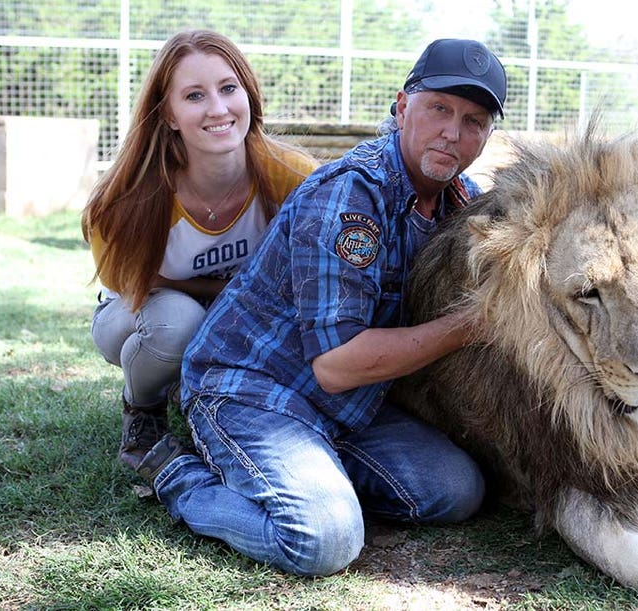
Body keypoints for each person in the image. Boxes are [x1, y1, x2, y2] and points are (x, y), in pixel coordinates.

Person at [136, 38, 509, 576]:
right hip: (252, 389)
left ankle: (310, 477)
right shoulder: (349, 197)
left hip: (349, 408)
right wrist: (470, 325)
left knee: (456, 492)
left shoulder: (460, 202)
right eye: (439, 109)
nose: (453, 132)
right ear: (403, 106)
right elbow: (337, 365)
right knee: (323, 541)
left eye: (474, 121)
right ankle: (179, 475)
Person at [81, 29, 316, 471]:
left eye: (229, 88)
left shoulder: (293, 177)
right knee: (180, 324)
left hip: (240, 314)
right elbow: (131, 282)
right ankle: (143, 407)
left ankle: (200, 390)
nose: (218, 108)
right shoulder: (125, 199)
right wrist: (224, 294)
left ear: (248, 93)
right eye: (194, 96)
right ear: (168, 114)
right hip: (138, 315)